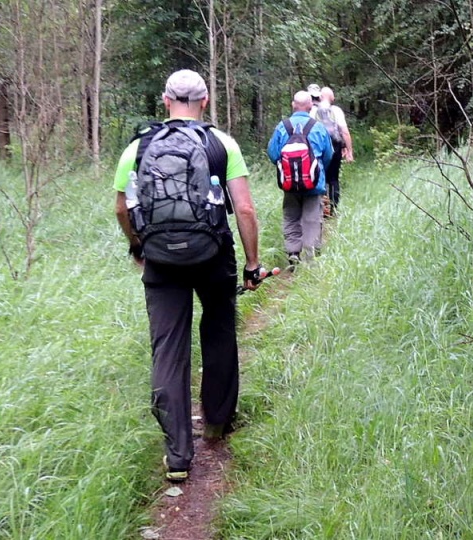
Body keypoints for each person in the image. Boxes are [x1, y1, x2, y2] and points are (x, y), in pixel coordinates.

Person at [113, 69, 264, 483]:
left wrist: (138, 246)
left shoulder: (139, 147)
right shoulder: (222, 144)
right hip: (213, 254)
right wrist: (252, 264)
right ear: (206, 100)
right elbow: (245, 210)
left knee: (168, 348)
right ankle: (217, 421)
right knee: (218, 330)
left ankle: (178, 455)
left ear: (165, 101)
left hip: (161, 260)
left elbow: (122, 209)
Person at [267, 90, 334, 265]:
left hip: (289, 183)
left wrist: (288, 169)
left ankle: (293, 252)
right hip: (314, 182)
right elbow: (328, 154)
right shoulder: (318, 127)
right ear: (311, 105)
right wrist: (318, 170)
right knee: (312, 218)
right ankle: (310, 255)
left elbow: (273, 153)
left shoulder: (282, 127)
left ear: (293, 105)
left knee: (291, 216)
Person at [313, 86, 353, 215]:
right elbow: (345, 132)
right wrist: (349, 151)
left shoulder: (313, 111)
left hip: (318, 148)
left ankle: (322, 208)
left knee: (321, 177)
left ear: (319, 97)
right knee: (334, 178)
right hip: (335, 147)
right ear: (331, 98)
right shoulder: (336, 110)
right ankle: (334, 209)